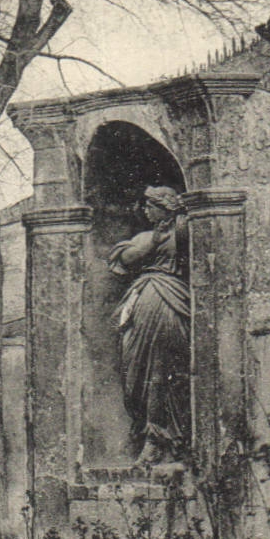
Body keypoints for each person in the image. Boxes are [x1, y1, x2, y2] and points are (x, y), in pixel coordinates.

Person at [108, 186, 191, 466]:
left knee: (163, 368)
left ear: (164, 208)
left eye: (150, 206)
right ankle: (147, 431)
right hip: (143, 302)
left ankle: (160, 438)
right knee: (134, 371)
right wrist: (155, 239)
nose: (145, 211)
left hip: (170, 301)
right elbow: (124, 258)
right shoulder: (147, 237)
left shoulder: (183, 230)